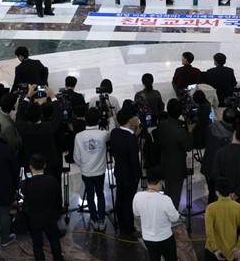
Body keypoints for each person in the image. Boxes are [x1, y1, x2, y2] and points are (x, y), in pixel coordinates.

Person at [73, 108, 110, 231]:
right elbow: (112, 131)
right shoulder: (103, 134)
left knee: (90, 194)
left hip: (86, 172)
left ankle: (94, 219)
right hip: (100, 171)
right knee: (100, 194)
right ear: (98, 120)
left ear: (85, 119)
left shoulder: (79, 136)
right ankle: (102, 220)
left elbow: (76, 157)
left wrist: (82, 166)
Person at [22, 154, 64, 260]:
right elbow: (57, 194)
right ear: (44, 165)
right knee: (54, 241)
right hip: (50, 216)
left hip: (33, 219)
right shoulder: (52, 181)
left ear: (30, 167)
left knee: (37, 244)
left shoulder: (24, 184)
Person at [132, 167, 179, 261]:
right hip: (165, 238)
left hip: (147, 238)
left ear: (147, 181)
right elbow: (175, 218)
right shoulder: (165, 199)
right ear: (161, 182)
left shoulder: (137, 196)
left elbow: (136, 213)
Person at [109, 106, 142, 238]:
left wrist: (135, 134)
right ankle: (129, 228)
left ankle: (121, 222)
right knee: (128, 201)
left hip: (119, 171)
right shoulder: (131, 140)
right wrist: (137, 175)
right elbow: (134, 161)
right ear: (129, 120)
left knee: (120, 197)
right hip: (130, 175)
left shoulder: (114, 133)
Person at [156, 99, 193, 213]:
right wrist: (190, 131)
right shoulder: (179, 130)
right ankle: (172, 216)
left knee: (168, 190)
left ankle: (165, 213)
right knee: (175, 194)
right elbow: (188, 147)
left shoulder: (161, 125)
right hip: (177, 166)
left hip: (165, 162)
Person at [204, 176, 240, 261]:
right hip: (231, 251)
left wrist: (215, 249)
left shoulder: (210, 208)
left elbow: (209, 232)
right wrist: (238, 247)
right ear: (230, 191)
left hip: (212, 251)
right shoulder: (238, 207)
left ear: (217, 192)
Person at [212, 125, 240, 211]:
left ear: (234, 133)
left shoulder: (220, 152)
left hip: (223, 195)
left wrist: (224, 192)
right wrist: (236, 193)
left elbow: (215, 173)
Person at [202, 106, 236, 204]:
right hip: (222, 171)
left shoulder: (211, 127)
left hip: (209, 166)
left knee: (212, 192)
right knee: (222, 195)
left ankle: (210, 210)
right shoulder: (232, 137)